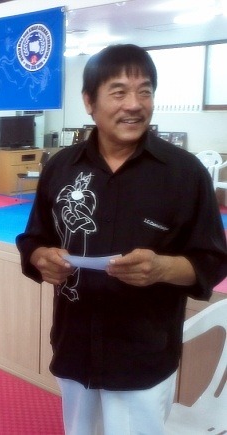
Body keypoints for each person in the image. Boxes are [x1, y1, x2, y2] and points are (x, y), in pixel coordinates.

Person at [16, 44, 227, 435]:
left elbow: (212, 260)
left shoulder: (184, 173)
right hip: (75, 346)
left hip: (143, 356)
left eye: (145, 91)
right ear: (89, 102)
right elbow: (34, 239)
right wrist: (40, 257)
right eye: (118, 92)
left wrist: (162, 268)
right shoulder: (61, 168)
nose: (134, 104)